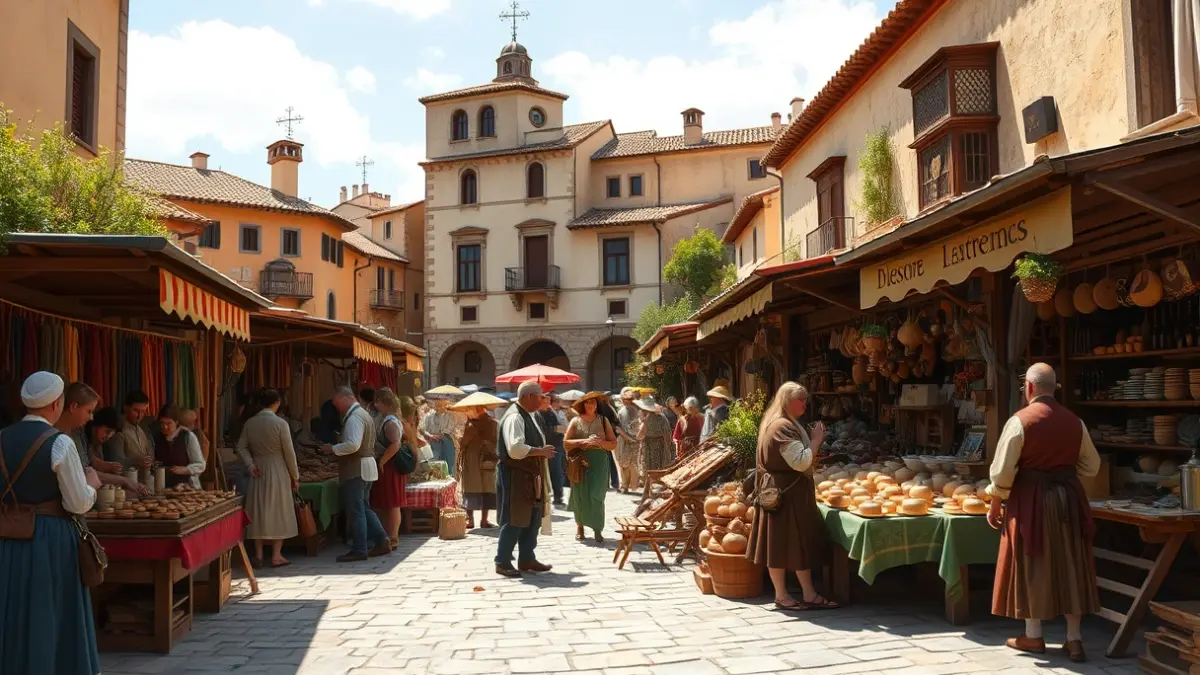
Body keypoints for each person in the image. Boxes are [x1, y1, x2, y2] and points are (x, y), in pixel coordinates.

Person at [988, 363, 1100, 662]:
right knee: (1071, 563)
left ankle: (1033, 637)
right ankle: (1074, 640)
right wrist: (1062, 472)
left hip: (1031, 500)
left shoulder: (1019, 421)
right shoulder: (1076, 422)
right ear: (1054, 389)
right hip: (1068, 499)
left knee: (1031, 560)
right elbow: (1092, 466)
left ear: (1030, 388)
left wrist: (996, 500)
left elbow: (1002, 473)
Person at [0, 372, 102, 675]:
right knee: (50, 609)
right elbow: (77, 503)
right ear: (57, 403)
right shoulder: (60, 444)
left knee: (12, 607)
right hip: (50, 537)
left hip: (8, 535)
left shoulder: (1, 437)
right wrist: (92, 485)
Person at [746, 381, 838, 611]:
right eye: (801, 400)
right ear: (788, 401)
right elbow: (801, 462)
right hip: (786, 496)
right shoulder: (781, 427)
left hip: (782, 493)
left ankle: (806, 593)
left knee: (789, 546)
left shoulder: (779, 423)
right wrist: (816, 440)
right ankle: (784, 595)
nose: (805, 404)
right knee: (782, 546)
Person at [494, 381, 557, 577]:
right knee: (515, 518)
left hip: (529, 475)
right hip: (516, 475)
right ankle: (502, 561)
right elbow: (515, 449)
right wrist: (540, 451)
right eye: (539, 397)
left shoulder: (529, 415)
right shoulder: (514, 417)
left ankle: (527, 558)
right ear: (529, 396)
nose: (542, 401)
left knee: (532, 518)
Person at [322, 387, 391, 562]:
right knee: (364, 507)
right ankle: (382, 540)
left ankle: (360, 548)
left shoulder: (354, 418)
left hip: (356, 469)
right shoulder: (363, 414)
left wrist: (333, 448)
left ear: (346, 398)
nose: (337, 407)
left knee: (357, 510)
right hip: (365, 466)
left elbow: (353, 444)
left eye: (337, 403)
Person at [235, 388, 299, 568]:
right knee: (278, 511)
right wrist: (295, 475)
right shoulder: (281, 424)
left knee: (258, 511)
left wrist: (250, 464)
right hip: (278, 469)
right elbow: (289, 453)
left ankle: (258, 554)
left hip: (258, 469)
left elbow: (240, 447)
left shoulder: (250, 423)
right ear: (277, 403)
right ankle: (277, 555)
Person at [57, 384, 145, 495]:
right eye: (89, 411)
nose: (91, 417)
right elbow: (82, 473)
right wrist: (124, 480)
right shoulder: (59, 435)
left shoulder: (78, 433)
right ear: (73, 407)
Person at [565, 392, 617, 542]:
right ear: (583, 405)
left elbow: (613, 444)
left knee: (597, 495)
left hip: (599, 461)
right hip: (580, 461)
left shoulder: (603, 420)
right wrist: (583, 442)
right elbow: (566, 443)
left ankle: (597, 528)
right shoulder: (575, 421)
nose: (590, 405)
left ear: (597, 404)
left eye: (593, 402)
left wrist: (600, 442)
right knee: (580, 495)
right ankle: (580, 527)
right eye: (587, 403)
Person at [370, 390, 409, 547]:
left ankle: (393, 537)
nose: (375, 404)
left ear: (382, 402)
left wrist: (382, 462)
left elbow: (395, 444)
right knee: (389, 503)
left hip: (390, 466)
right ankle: (390, 535)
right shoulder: (390, 419)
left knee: (392, 503)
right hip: (390, 465)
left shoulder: (391, 421)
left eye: (377, 401)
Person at [458, 402, 499, 529]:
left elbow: (463, 443)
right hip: (488, 459)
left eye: (470, 408)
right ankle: (484, 520)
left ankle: (470, 520)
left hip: (472, 460)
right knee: (487, 488)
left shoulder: (471, 425)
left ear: (478, 409)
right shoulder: (493, 423)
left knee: (471, 487)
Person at [154, 407, 206, 489]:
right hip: (164, 487)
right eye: (162, 423)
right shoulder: (157, 438)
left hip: (187, 487)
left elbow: (200, 465)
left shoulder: (188, 437)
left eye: (168, 423)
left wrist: (184, 470)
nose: (165, 427)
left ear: (176, 422)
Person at [104, 390, 154, 471]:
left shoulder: (143, 429)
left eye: (143, 411)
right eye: (136, 411)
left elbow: (151, 454)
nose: (140, 416)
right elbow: (116, 463)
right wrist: (136, 460)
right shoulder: (118, 429)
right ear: (126, 408)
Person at [538, 393, 567, 507]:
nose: (547, 404)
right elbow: (541, 431)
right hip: (543, 447)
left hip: (556, 445)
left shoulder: (551, 413)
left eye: (548, 402)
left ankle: (558, 497)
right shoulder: (536, 415)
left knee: (557, 472)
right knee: (545, 473)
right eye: (545, 402)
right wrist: (554, 429)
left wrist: (558, 429)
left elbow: (558, 426)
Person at [614, 388, 642, 493]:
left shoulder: (625, 411)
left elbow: (619, 428)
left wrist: (629, 437)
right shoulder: (633, 410)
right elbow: (619, 428)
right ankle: (628, 485)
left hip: (630, 440)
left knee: (626, 464)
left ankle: (626, 486)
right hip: (631, 440)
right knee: (630, 464)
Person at [421, 398, 458, 476]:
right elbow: (423, 429)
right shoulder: (429, 416)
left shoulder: (450, 415)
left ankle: (449, 477)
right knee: (434, 464)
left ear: (445, 406)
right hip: (433, 442)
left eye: (440, 406)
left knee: (448, 465)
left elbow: (450, 428)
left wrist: (441, 435)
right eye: (436, 405)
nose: (437, 408)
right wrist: (430, 436)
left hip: (447, 441)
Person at [636, 397, 673, 475]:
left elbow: (639, 436)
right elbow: (668, 433)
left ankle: (649, 484)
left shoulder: (646, 420)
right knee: (660, 468)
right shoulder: (662, 417)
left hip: (649, 447)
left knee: (649, 469)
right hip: (662, 446)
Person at [596, 397, 622, 490]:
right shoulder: (610, 408)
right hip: (607, 438)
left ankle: (607, 483)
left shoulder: (602, 409)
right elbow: (616, 422)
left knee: (605, 461)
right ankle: (614, 483)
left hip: (604, 438)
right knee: (609, 460)